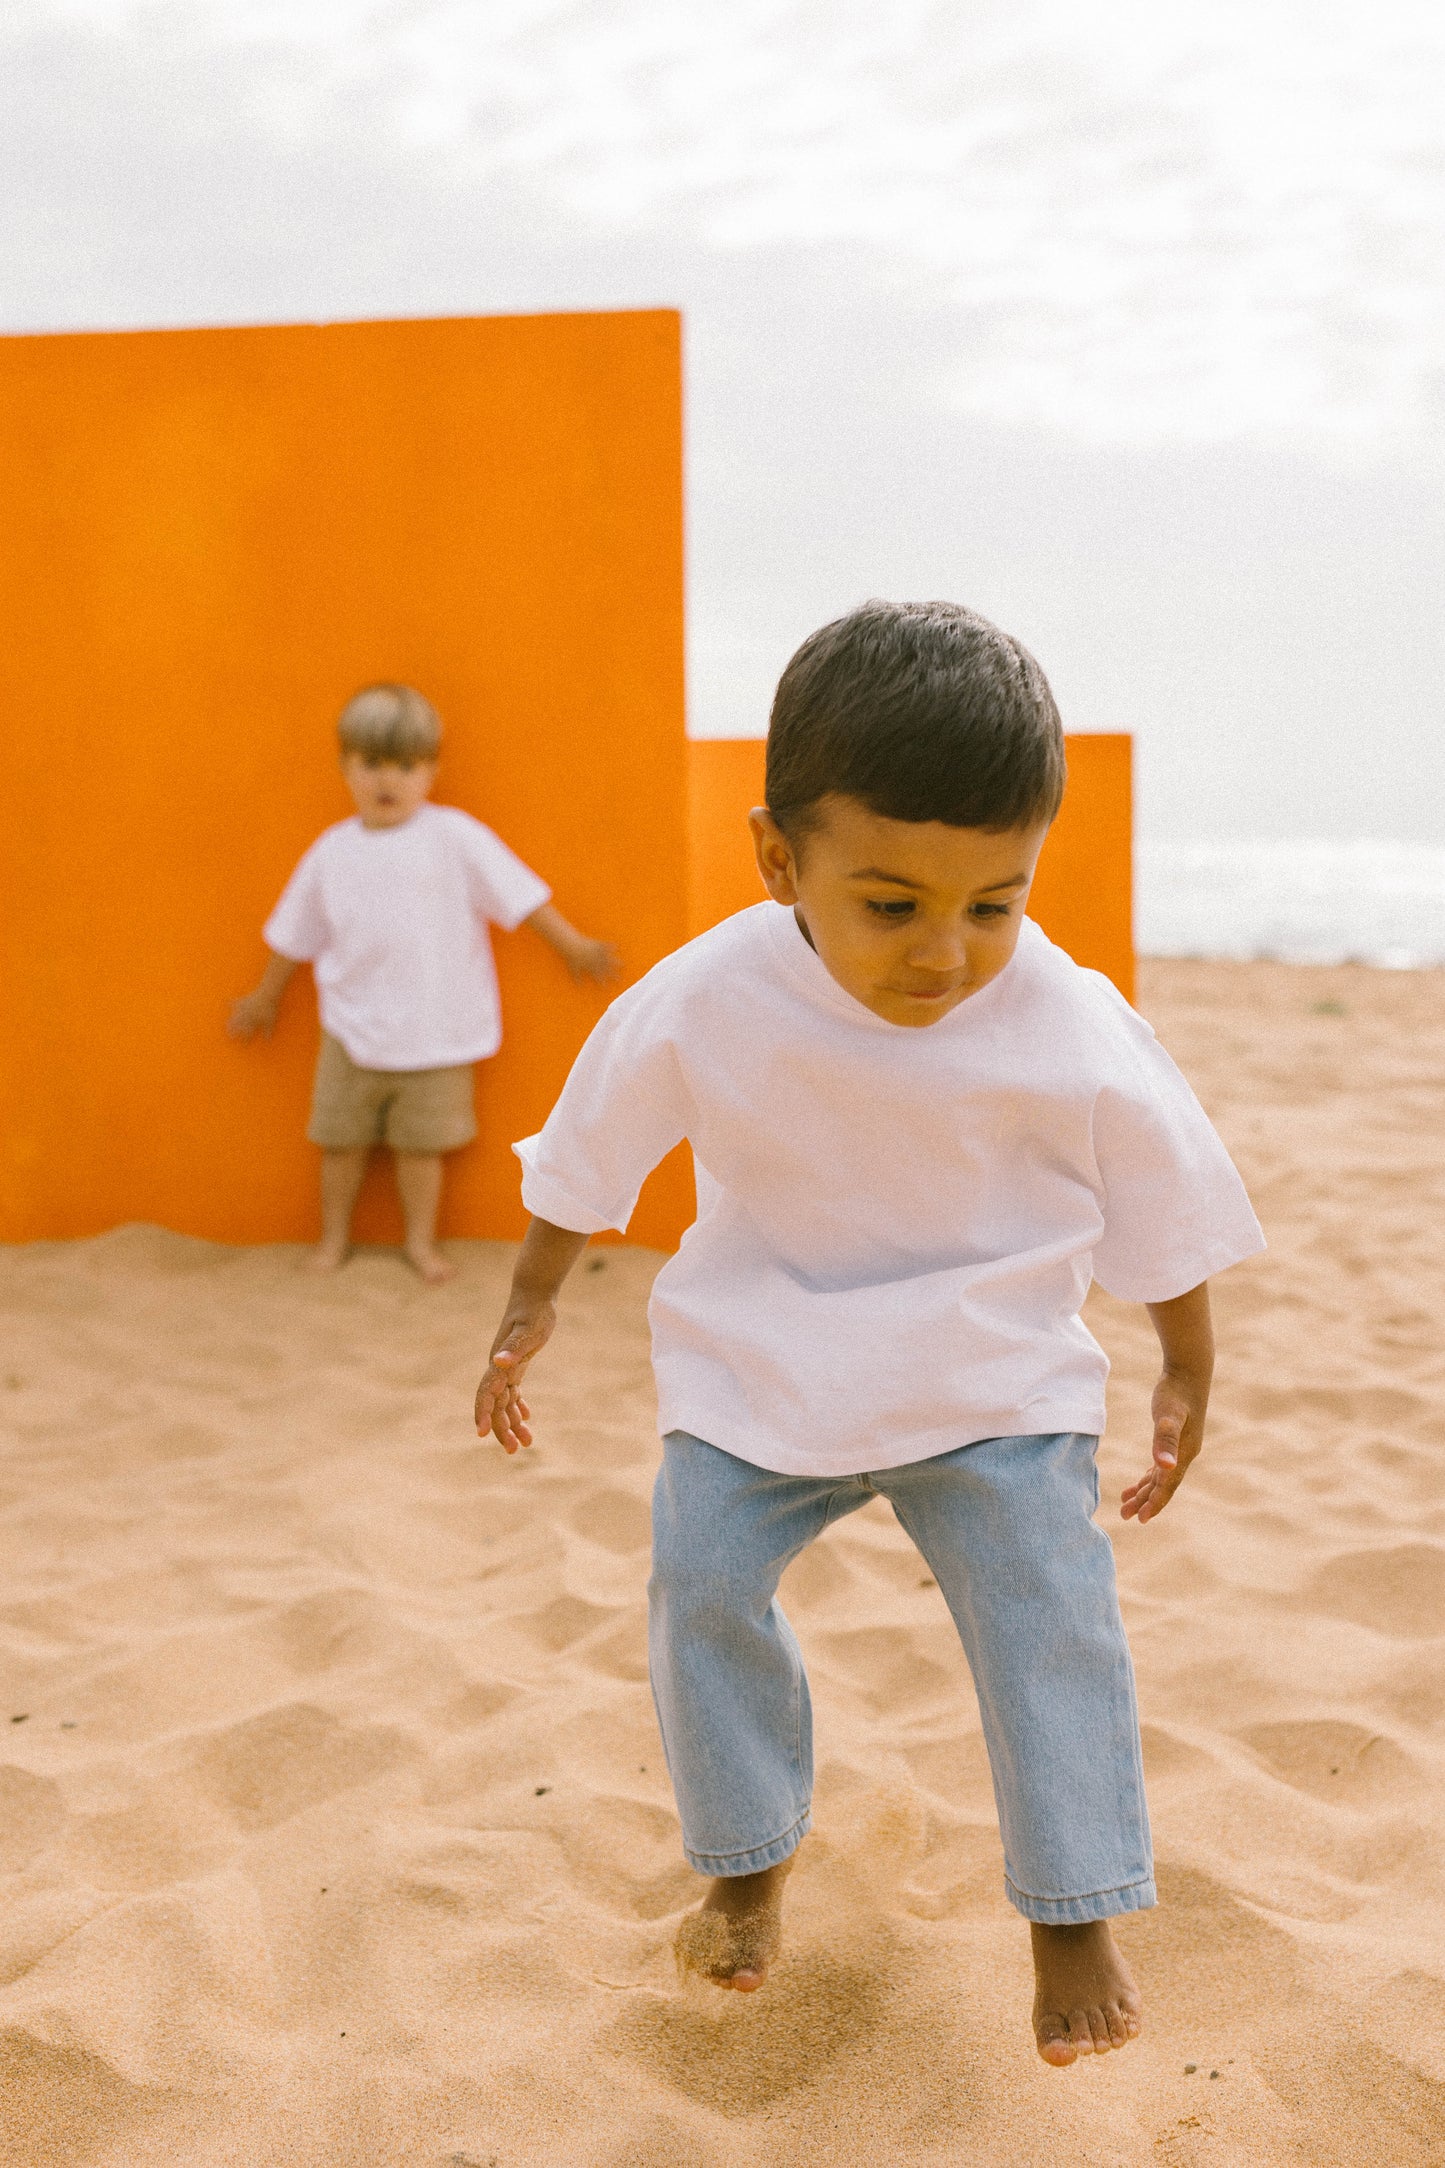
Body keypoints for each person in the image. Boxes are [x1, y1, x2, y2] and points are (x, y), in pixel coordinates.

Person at [472, 601, 1264, 2066]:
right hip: (760, 1360)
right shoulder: (708, 993)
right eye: (892, 905)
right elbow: (595, 1133)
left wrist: (1186, 1363)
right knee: (700, 1584)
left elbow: (1163, 1173)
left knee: (1047, 1616)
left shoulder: (1062, 1013)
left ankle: (1073, 1911)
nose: (945, 953)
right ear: (779, 860)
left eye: (993, 905)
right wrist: (531, 1299)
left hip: (990, 1372)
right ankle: (746, 1861)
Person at [230, 682, 618, 1283]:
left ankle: (419, 1244)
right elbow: (293, 935)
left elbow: (520, 895)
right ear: (345, 766)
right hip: (350, 1033)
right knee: (341, 1145)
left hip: (438, 1034)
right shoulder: (332, 851)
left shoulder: (455, 837)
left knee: (421, 1150)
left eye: (407, 766)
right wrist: (264, 997)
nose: (389, 780)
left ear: (431, 771)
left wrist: (573, 944)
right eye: (372, 763)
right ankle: (332, 1241)